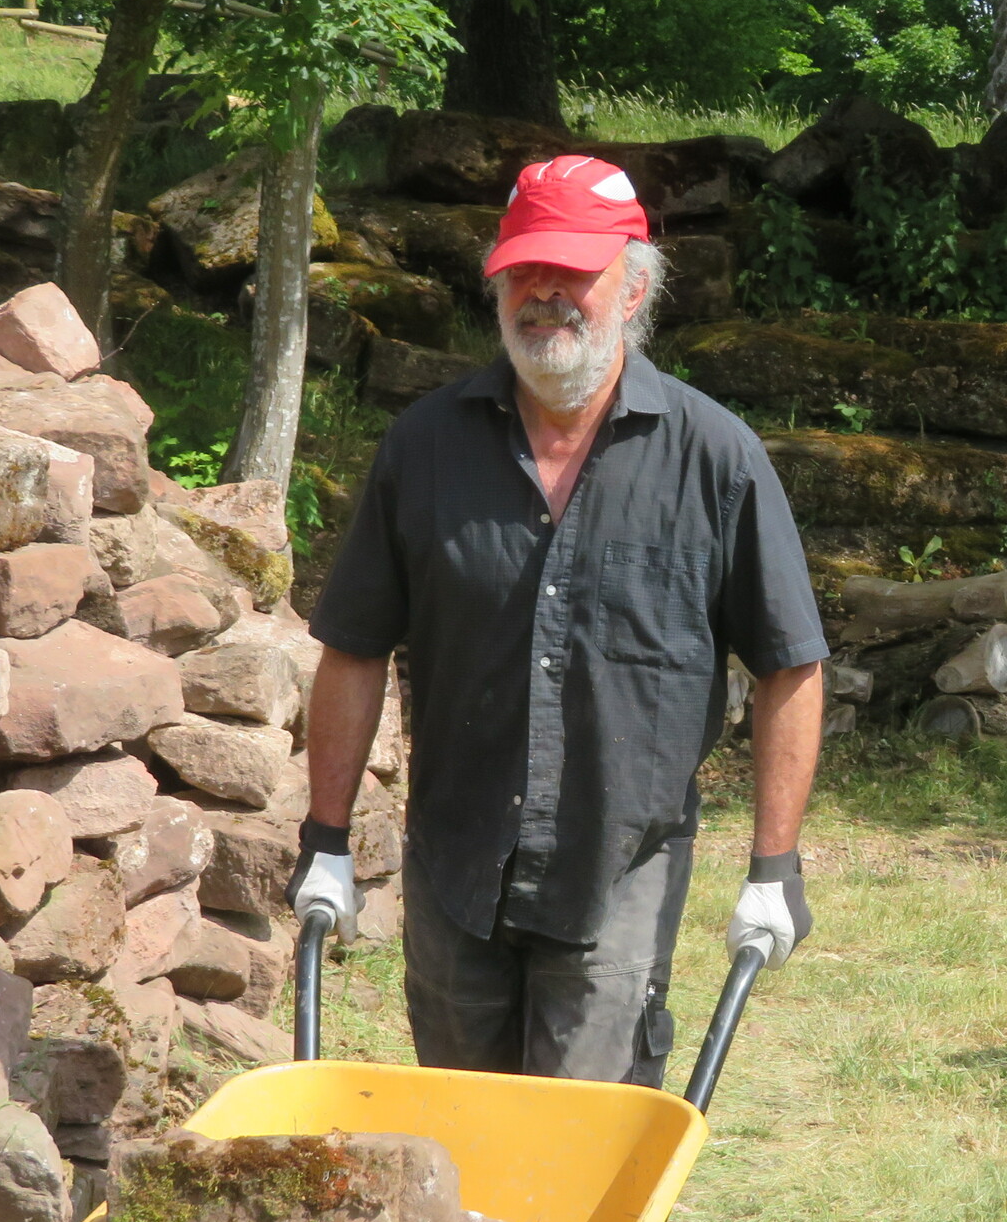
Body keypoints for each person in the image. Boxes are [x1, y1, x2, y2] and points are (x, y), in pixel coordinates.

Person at [287, 152, 828, 1088]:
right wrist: (325, 842)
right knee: (459, 1139)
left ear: (635, 286)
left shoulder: (715, 459)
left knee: (583, 1136)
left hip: (619, 870)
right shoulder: (425, 448)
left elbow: (790, 665)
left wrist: (773, 865)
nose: (544, 292)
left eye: (573, 269)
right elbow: (355, 649)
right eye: (524, 267)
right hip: (455, 867)